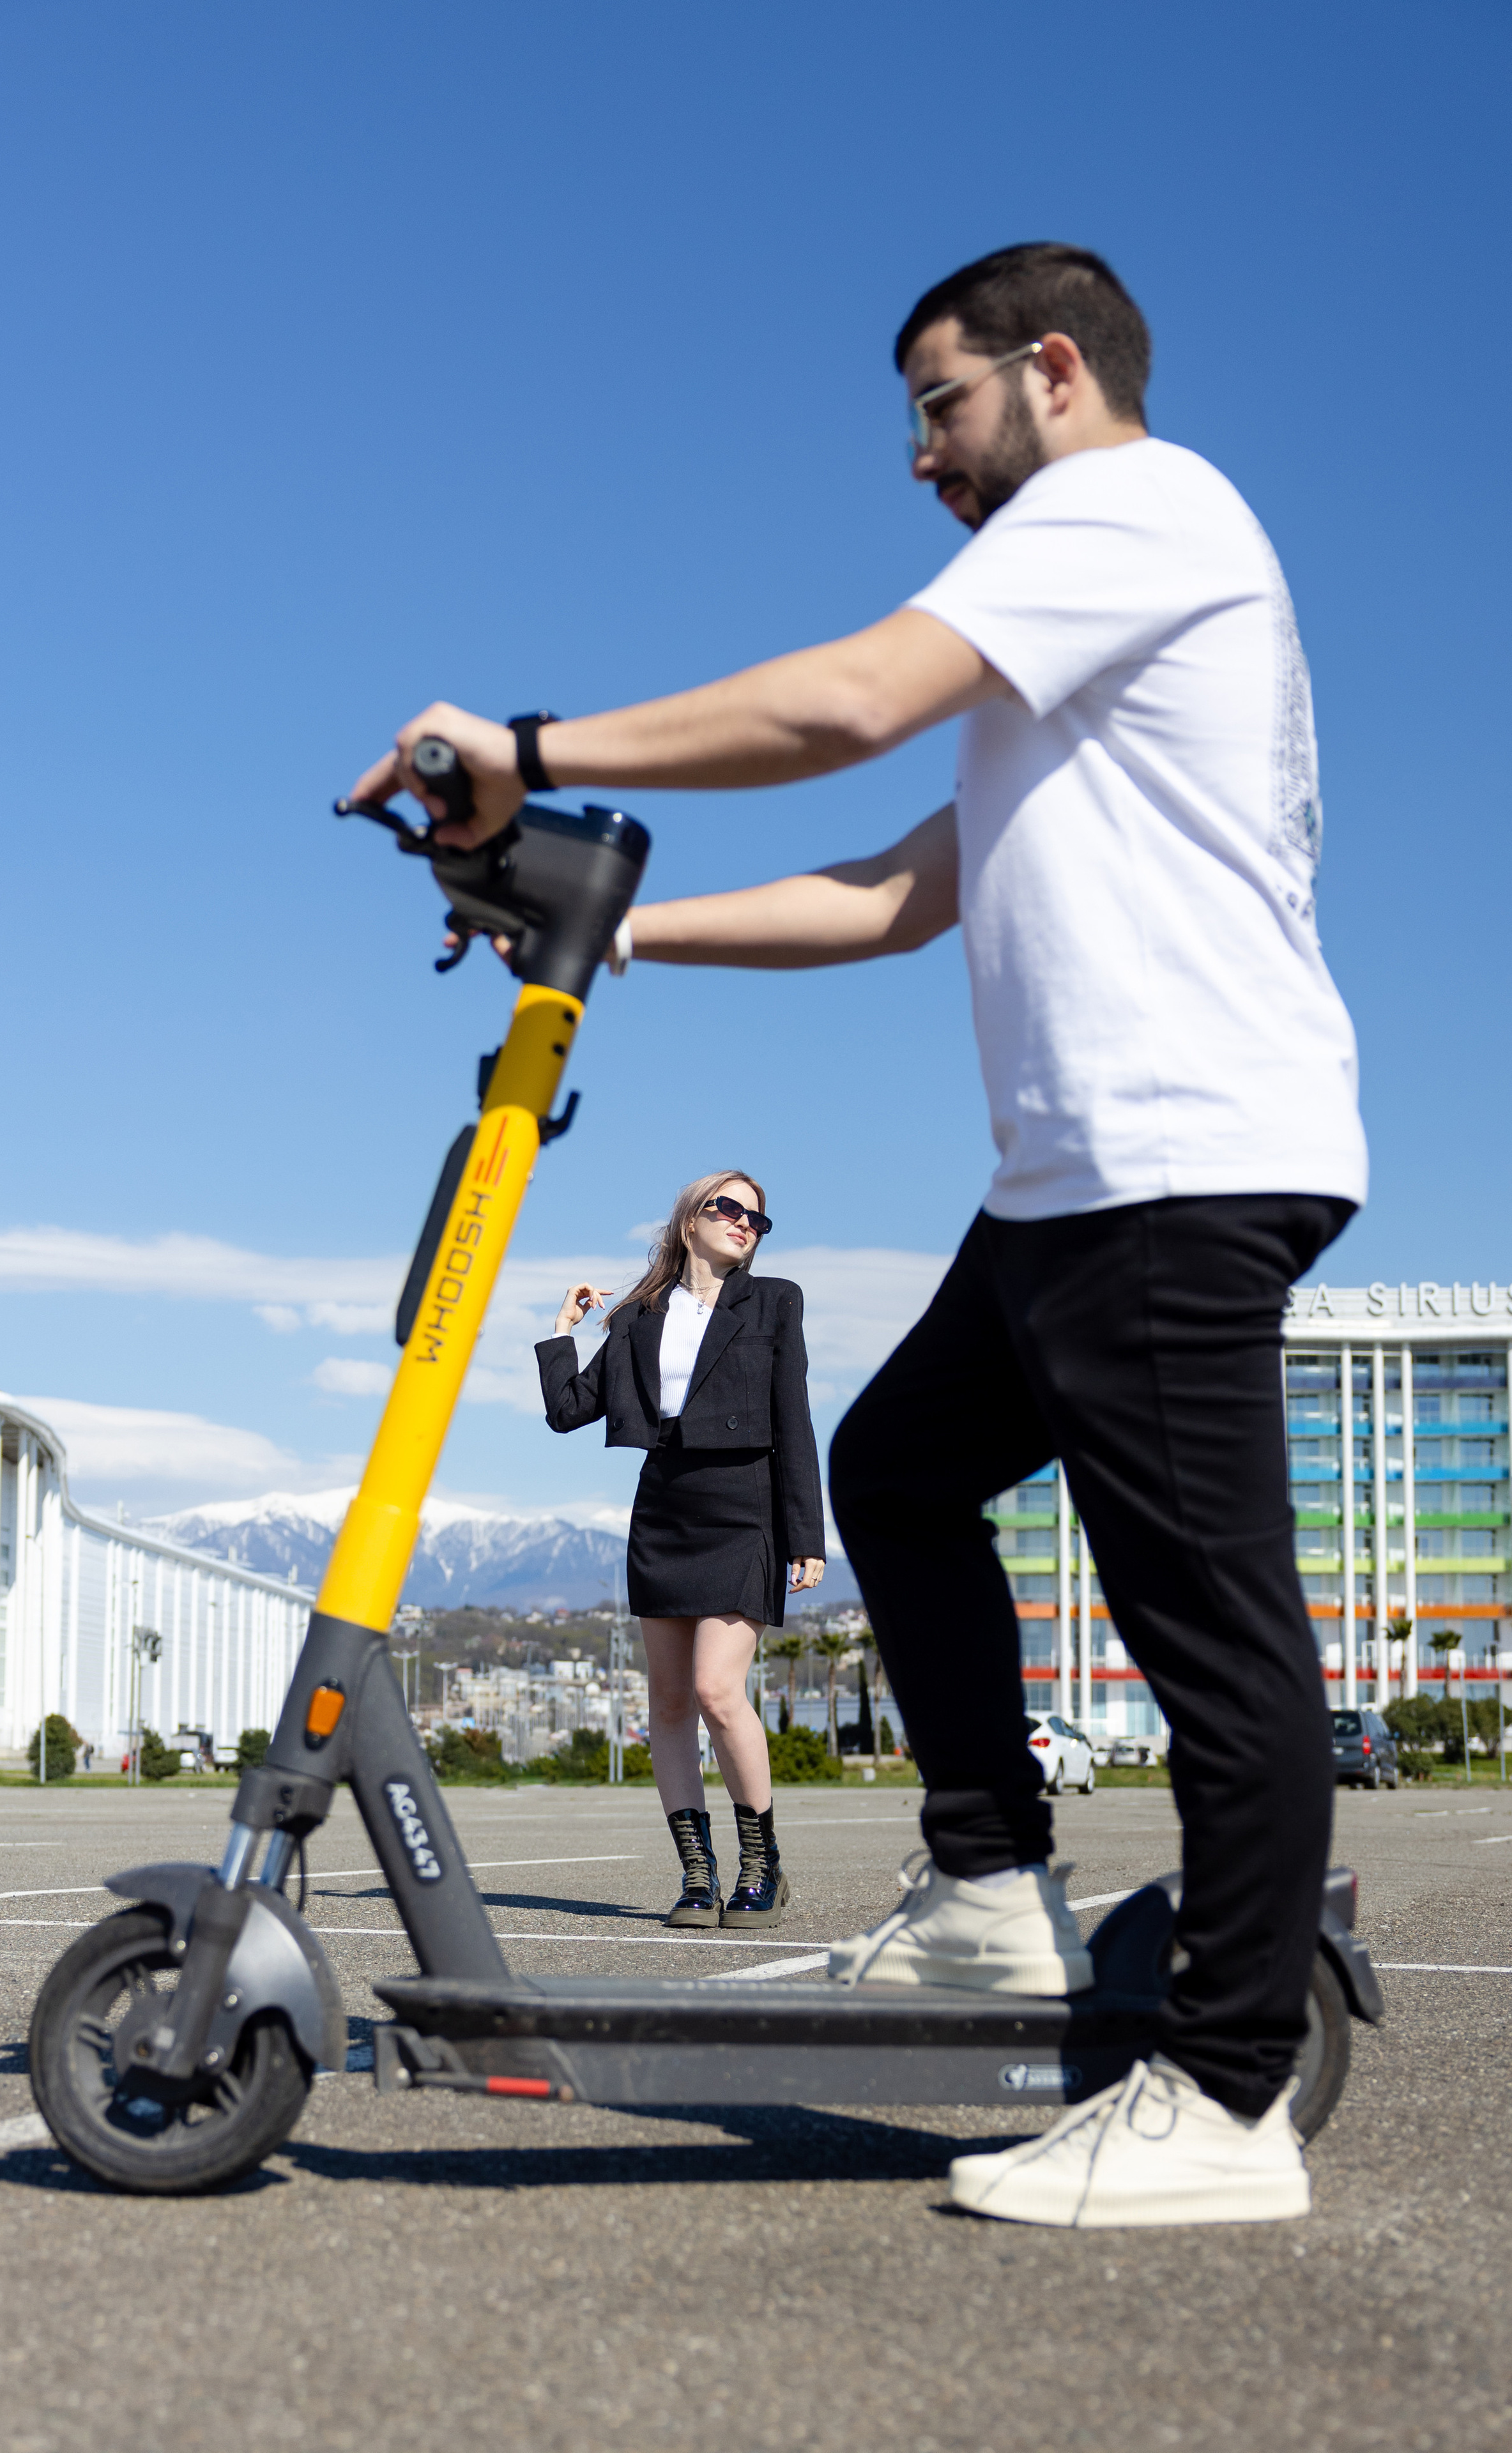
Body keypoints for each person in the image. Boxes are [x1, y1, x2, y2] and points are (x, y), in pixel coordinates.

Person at [347, 242, 1366, 2229]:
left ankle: (1226, 2096)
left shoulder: (1130, 511)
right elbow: (893, 891)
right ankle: (990, 1890)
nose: (916, 455)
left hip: (1172, 1165)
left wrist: (533, 748)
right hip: (1075, 1181)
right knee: (894, 1474)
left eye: (937, 403)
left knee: (1214, 1643)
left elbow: (843, 703)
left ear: (1051, 370)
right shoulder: (1075, 655)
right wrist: (610, 927)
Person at [535, 1172, 825, 1927]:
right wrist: (561, 1333)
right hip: (664, 1511)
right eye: (728, 1208)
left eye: (757, 1218)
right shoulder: (638, 1316)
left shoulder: (775, 1301)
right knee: (667, 1703)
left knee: (716, 1692)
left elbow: (793, 1415)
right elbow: (569, 1411)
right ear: (689, 1220)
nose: (744, 1223)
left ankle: (761, 1868)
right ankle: (698, 1877)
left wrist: (806, 1533)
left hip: (746, 1509)